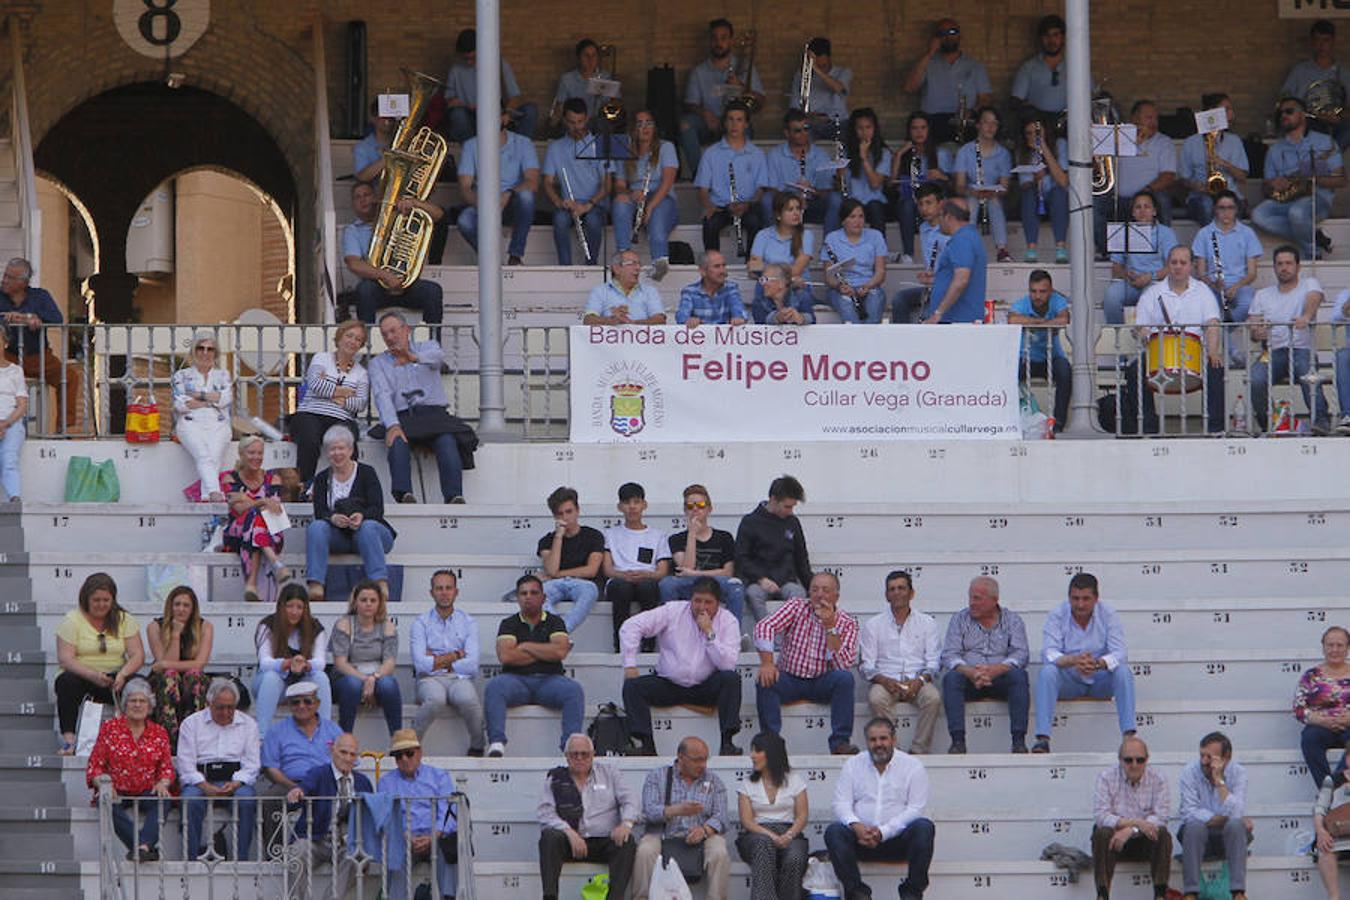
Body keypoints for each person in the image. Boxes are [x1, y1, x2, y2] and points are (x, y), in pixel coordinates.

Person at [621, 577, 742, 757]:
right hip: (669, 683)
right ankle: (646, 745)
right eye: (697, 601)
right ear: (690, 599)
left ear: (718, 603)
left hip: (705, 686)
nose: (702, 607)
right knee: (632, 686)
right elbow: (631, 626)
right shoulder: (673, 610)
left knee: (731, 680)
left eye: (708, 602)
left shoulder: (728, 620)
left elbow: (727, 664)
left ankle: (727, 744)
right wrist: (630, 663)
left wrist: (709, 633)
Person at [824, 717, 936, 900]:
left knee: (924, 827)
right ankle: (857, 893)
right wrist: (856, 825)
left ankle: (912, 893)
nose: (878, 744)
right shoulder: (853, 765)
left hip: (898, 840)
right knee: (834, 832)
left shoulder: (913, 767)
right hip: (860, 840)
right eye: (873, 740)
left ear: (894, 740)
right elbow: (841, 803)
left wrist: (883, 832)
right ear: (867, 741)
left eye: (883, 739)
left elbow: (916, 808)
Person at [754, 572, 860, 755]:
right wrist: (767, 663)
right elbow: (765, 626)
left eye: (826, 590)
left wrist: (829, 627)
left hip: (822, 681)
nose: (819, 595)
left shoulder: (848, 623)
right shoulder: (797, 606)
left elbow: (843, 664)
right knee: (765, 679)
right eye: (815, 589)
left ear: (836, 596)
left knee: (845, 679)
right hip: (789, 678)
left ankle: (840, 743)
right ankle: (771, 741)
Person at [369, 311, 467, 504]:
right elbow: (382, 395)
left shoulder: (428, 347)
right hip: (403, 416)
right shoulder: (377, 363)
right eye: (384, 334)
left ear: (407, 330)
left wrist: (413, 357)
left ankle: (454, 496)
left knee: (447, 441)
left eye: (393, 331)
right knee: (396, 441)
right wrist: (392, 425)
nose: (389, 337)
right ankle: (404, 494)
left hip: (434, 415)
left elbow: (438, 358)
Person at [1032, 572, 1134, 754]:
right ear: (1069, 597)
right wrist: (1073, 660)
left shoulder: (1108, 614)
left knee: (1123, 672)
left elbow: (1120, 652)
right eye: (1075, 598)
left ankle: (1129, 738)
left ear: (1096, 598)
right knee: (1048, 672)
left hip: (1099, 678)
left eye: (1086, 598)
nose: (1080, 604)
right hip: (1070, 678)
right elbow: (1048, 652)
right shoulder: (1057, 614)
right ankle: (1042, 739)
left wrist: (1097, 663)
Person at [1128, 245, 1226, 434]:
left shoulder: (1203, 291)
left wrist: (1213, 352)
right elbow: (1141, 327)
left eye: (1183, 263)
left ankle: (1215, 429)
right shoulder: (1152, 293)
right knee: (1134, 371)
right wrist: (1143, 334)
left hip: (1194, 353)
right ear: (1167, 265)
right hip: (1159, 353)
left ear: (1191, 266)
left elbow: (1212, 323)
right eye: (1174, 262)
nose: (1178, 267)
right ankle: (1149, 429)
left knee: (1216, 368)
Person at [484, 575, 585, 757]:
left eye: (533, 593)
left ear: (543, 598)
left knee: (573, 690)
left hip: (550, 681)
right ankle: (496, 742)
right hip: (516, 681)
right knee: (494, 686)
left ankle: (570, 746)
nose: (528, 597)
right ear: (518, 597)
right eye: (523, 593)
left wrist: (525, 646)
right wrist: (545, 652)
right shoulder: (509, 624)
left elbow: (560, 653)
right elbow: (506, 656)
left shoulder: (555, 622)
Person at [538, 733, 638, 900]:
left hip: (603, 840)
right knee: (549, 837)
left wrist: (626, 824)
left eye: (584, 754)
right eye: (574, 754)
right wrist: (569, 833)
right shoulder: (555, 778)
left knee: (627, 842)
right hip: (570, 841)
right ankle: (550, 896)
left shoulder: (610, 773)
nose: (579, 758)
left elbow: (630, 800)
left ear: (593, 755)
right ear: (566, 757)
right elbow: (545, 813)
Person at [54, 573, 144, 755]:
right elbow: (66, 658)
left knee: (139, 684)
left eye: (106, 600)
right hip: (83, 675)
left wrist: (123, 674)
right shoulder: (72, 620)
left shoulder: (124, 619)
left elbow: (137, 655)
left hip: (116, 675)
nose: (101, 605)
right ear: (86, 599)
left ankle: (138, 738)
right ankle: (70, 741)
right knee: (66, 682)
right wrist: (93, 675)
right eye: (96, 600)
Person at [305, 424, 397, 601]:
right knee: (316, 527)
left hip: (370, 535)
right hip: (339, 536)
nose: (337, 453)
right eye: (332, 449)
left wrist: (362, 516)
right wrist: (333, 518)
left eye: (341, 448)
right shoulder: (322, 478)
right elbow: (320, 511)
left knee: (368, 527)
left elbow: (377, 509)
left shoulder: (367, 472)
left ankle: (379, 582)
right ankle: (316, 584)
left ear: (351, 449)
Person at [85, 677, 174, 862]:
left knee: (164, 799)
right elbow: (95, 765)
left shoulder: (159, 732)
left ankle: (141, 846)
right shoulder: (110, 728)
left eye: (142, 701)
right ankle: (142, 847)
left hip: (146, 789)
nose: (138, 705)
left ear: (149, 706)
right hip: (117, 790)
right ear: (125, 705)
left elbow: (166, 768)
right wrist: (104, 784)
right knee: (106, 802)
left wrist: (163, 782)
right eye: (133, 701)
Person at [939, 575, 1030, 754]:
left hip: (1001, 678)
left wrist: (997, 669)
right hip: (970, 679)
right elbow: (949, 654)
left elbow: (1021, 654)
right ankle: (958, 741)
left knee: (1019, 676)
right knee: (951, 678)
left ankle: (1019, 741)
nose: (972, 603)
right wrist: (970, 672)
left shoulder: (1013, 620)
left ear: (994, 600)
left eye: (977, 598)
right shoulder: (959, 619)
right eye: (970, 597)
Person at [633, 736, 731, 899]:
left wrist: (705, 830)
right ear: (680, 757)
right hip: (663, 833)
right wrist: (675, 810)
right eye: (697, 760)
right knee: (645, 850)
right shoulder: (657, 776)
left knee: (719, 851)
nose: (702, 765)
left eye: (705, 760)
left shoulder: (714, 780)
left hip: (703, 836)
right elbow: (649, 811)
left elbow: (721, 816)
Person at [1251, 96, 1346, 263]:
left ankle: (1312, 251)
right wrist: (1273, 184)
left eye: (1289, 111)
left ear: (1302, 115)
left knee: (1296, 212)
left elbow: (1341, 180)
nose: (1283, 116)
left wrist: (1313, 178)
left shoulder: (1325, 142)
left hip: (1317, 198)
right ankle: (1313, 235)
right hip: (1286, 199)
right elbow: (1265, 189)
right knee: (1258, 215)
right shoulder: (1275, 149)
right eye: (1281, 113)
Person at [1248, 244, 1331, 433]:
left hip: (1302, 349)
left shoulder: (1309, 283)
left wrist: (1306, 316)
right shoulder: (1262, 295)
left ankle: (1320, 421)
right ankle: (1269, 423)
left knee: (1306, 370)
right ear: (1274, 267)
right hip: (1272, 351)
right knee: (1255, 379)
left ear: (1298, 267)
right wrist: (1256, 332)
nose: (1284, 268)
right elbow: (1254, 326)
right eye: (1279, 264)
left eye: (1288, 263)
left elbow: (1314, 297)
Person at [177, 678, 260, 861]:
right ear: (209, 704)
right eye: (220, 707)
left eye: (230, 707)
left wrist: (236, 783)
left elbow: (252, 763)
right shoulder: (191, 723)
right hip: (200, 780)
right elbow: (185, 763)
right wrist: (204, 785)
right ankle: (191, 859)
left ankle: (242, 860)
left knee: (246, 801)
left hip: (236, 781)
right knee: (190, 800)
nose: (226, 712)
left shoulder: (248, 724)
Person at [341, 181, 445, 329]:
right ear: (353, 204)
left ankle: (433, 345)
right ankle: (368, 347)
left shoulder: (398, 217)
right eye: (357, 197)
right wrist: (385, 275)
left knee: (433, 291)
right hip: (377, 286)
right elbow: (353, 263)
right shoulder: (353, 230)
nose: (363, 200)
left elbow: (439, 215)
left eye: (366, 195)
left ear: (376, 198)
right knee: (364, 290)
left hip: (407, 285)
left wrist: (414, 203)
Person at [284, 732, 374, 900]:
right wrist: (299, 791)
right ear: (333, 751)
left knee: (359, 854)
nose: (347, 758)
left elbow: (370, 813)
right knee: (297, 851)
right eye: (343, 752)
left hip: (346, 844)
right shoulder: (318, 774)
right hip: (316, 841)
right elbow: (305, 787)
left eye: (352, 754)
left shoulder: (363, 782)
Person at [860, 571, 941, 755]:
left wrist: (920, 680)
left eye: (901, 588)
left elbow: (934, 662)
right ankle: (892, 751)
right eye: (892, 589)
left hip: (917, 680)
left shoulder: (927, 623)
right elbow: (867, 665)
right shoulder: (874, 624)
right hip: (886, 681)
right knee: (876, 698)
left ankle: (919, 750)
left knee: (933, 698)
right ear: (886, 595)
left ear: (911, 593)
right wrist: (885, 680)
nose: (897, 593)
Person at [0, 257, 83, 433]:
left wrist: (31, 317)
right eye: (5, 276)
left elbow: (57, 318)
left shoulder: (40, 296)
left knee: (69, 378)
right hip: (6, 357)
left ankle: (63, 428)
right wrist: (10, 318)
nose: (4, 280)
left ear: (23, 282)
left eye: (10, 278)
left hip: (38, 356)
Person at [377, 729, 459, 900]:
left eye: (408, 753)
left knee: (448, 847)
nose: (404, 759)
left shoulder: (439, 776)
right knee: (396, 850)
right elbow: (385, 816)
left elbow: (448, 813)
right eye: (398, 756)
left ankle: (448, 896)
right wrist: (405, 835)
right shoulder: (386, 782)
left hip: (436, 836)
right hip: (405, 838)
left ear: (420, 753)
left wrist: (433, 836)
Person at [456, 103, 540, 267]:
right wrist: (483, 203)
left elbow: (533, 182)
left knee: (527, 197)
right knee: (465, 220)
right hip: (483, 205)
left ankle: (515, 255)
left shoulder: (523, 143)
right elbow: (465, 188)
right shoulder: (471, 145)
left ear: (505, 118)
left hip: (511, 204)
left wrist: (508, 194)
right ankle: (490, 258)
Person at [410, 569, 485, 752]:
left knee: (468, 699)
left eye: (448, 588)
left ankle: (477, 746)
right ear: (431, 592)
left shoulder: (468, 622)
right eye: (439, 588)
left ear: (456, 592)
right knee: (435, 699)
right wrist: (457, 655)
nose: (444, 592)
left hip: (459, 678)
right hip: (429, 679)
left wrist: (436, 660)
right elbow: (420, 664)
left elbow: (472, 665)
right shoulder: (420, 623)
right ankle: (409, 745)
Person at [681, 18, 765, 177]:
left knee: (743, 128)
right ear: (709, 41)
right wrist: (704, 114)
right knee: (685, 124)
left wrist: (741, 87)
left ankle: (741, 176)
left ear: (731, 41)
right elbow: (690, 104)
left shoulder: (745, 67)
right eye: (714, 38)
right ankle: (701, 175)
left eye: (724, 38)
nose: (718, 42)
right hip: (709, 123)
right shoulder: (698, 72)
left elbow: (760, 101)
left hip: (736, 122)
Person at [1091, 736, 1172, 900]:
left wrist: (1131, 830)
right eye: (1128, 760)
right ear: (1120, 760)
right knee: (1101, 833)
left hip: (1144, 841)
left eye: (1139, 760)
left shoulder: (1159, 779)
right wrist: (1136, 823)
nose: (1134, 765)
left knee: (1162, 833)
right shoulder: (1106, 777)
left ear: (1147, 760)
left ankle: (1160, 894)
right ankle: (1102, 894)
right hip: (1115, 841)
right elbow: (1101, 815)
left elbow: (1162, 816)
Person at [289, 319, 368, 486]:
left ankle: (349, 487)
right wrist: (345, 392)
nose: (352, 341)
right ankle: (305, 485)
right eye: (349, 335)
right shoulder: (322, 358)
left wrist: (330, 391)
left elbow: (360, 404)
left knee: (347, 443)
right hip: (311, 412)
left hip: (341, 418)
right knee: (309, 438)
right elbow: (315, 384)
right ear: (339, 337)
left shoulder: (361, 373)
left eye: (358, 339)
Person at [1177, 732, 1251, 900]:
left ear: (1226, 757)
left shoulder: (1239, 773)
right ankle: (1191, 893)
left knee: (1236, 826)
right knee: (1194, 827)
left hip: (1228, 835)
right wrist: (1223, 818)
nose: (1203, 761)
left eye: (1209, 757)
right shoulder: (1189, 771)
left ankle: (1238, 892)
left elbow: (1237, 814)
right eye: (1201, 755)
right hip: (1197, 834)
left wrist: (1219, 780)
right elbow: (1189, 813)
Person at [735, 731, 809, 900]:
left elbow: (802, 816)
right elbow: (747, 821)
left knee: (795, 857)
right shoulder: (747, 784)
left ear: (772, 753)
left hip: (789, 831)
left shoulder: (795, 780)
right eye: (752, 750)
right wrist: (771, 836)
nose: (752, 755)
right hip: (757, 833)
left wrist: (788, 835)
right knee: (763, 844)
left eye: (757, 751)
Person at [251, 583, 332, 737]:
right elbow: (265, 662)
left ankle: (324, 733)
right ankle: (261, 736)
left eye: (299, 607)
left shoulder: (315, 628)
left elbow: (320, 663)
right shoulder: (268, 625)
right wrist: (287, 663)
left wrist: (304, 664)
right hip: (271, 683)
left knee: (320, 677)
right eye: (289, 606)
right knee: (271, 677)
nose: (294, 612)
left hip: (301, 681)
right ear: (281, 606)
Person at [659, 484, 745, 626]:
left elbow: (727, 572)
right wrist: (692, 534)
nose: (695, 509)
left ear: (709, 509)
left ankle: (734, 635)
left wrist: (693, 573)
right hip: (690, 585)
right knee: (667, 584)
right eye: (690, 506)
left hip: (716, 584)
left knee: (735, 586)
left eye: (700, 505)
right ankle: (672, 632)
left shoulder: (724, 537)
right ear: (685, 510)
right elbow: (685, 568)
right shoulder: (676, 539)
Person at [542, 97, 612, 267]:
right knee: (559, 220)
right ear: (565, 121)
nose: (577, 127)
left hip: (596, 204)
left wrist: (588, 205)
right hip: (569, 204)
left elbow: (607, 184)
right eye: (572, 122)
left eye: (580, 122)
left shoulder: (600, 144)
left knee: (594, 221)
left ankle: (591, 264)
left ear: (587, 118)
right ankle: (565, 267)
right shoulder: (555, 147)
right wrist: (560, 202)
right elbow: (547, 183)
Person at [602, 482, 671, 652]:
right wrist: (623, 575)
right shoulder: (610, 534)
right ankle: (621, 644)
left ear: (644, 504)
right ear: (619, 506)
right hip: (619, 580)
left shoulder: (658, 535)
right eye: (627, 502)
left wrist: (646, 575)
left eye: (636, 502)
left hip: (647, 579)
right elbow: (607, 569)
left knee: (647, 587)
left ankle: (648, 644)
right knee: (622, 588)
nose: (632, 507)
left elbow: (662, 571)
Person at [902, 17, 993, 144]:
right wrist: (930, 52)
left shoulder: (975, 66)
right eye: (942, 33)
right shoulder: (926, 63)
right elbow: (909, 87)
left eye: (952, 32)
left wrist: (972, 111)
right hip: (932, 121)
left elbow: (985, 98)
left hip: (964, 121)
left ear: (960, 36)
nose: (948, 37)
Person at [221, 434, 288, 603]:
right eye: (251, 453)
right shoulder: (229, 477)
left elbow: (275, 510)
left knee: (254, 518)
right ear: (241, 454)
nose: (256, 457)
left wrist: (249, 501)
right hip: (236, 532)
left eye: (260, 453)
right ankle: (275, 562)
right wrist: (262, 501)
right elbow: (238, 509)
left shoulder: (273, 478)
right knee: (254, 516)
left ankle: (251, 584)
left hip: (271, 531)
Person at [613, 110, 680, 278]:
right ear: (633, 129)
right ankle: (624, 255)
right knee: (620, 202)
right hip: (637, 197)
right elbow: (620, 185)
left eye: (649, 123)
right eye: (640, 123)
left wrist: (650, 206)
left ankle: (659, 263)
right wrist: (629, 193)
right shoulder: (625, 149)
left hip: (662, 197)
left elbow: (668, 181)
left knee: (656, 218)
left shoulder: (666, 147)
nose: (645, 127)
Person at [696, 101, 767, 259]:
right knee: (710, 224)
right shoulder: (711, 153)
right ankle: (712, 265)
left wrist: (747, 204)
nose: (734, 124)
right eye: (730, 119)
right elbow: (702, 189)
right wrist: (709, 206)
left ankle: (752, 264)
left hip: (747, 205)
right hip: (720, 207)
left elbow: (761, 189)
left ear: (746, 124)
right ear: (724, 123)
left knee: (756, 222)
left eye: (739, 120)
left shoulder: (757, 154)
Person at [736, 475, 811, 624]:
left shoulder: (792, 522)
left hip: (787, 580)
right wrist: (760, 578)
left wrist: (813, 587)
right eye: (787, 506)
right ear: (773, 499)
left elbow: (801, 559)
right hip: (759, 581)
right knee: (753, 593)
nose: (790, 511)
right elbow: (741, 557)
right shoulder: (750, 522)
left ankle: (790, 639)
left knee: (798, 594)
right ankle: (770, 638)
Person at [145, 584, 213, 748]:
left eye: (186, 605)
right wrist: (175, 634)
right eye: (177, 604)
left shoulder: (205, 626)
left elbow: (200, 663)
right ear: (170, 606)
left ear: (193, 608)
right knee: (170, 677)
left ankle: (196, 738)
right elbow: (166, 668)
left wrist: (165, 664)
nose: (181, 609)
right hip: (164, 681)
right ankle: (170, 740)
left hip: (192, 679)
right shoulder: (154, 627)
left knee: (195, 675)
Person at [331, 578, 402, 735]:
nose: (368, 604)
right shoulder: (344, 624)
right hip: (348, 676)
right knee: (352, 685)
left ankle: (398, 739)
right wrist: (364, 679)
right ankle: (345, 737)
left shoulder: (387, 627)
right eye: (363, 600)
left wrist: (373, 678)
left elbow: (389, 663)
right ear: (355, 602)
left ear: (379, 604)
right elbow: (340, 663)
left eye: (373, 600)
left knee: (389, 685)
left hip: (377, 675)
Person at [444, 27, 537, 143]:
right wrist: (466, 105)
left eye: (473, 58)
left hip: (499, 117)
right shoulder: (456, 70)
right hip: (472, 119)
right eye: (465, 59)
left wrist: (507, 113)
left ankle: (517, 150)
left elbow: (515, 97)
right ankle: (472, 151)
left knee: (530, 110)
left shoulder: (500, 64)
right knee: (458, 115)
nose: (469, 62)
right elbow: (449, 100)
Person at [1007, 269, 1072, 431]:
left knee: (1065, 372)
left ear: (1051, 291)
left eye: (1043, 291)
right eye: (1033, 291)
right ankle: (1010, 422)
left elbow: (1064, 319)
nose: (1037, 296)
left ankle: (1058, 425)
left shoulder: (1058, 301)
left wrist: (1034, 323)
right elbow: (1012, 319)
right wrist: (1042, 322)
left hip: (1052, 357)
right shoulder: (1022, 303)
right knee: (1007, 377)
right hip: (1026, 358)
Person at [761, 108, 842, 236]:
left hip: (812, 203)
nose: (804, 133)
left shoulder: (821, 155)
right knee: (766, 200)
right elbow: (771, 190)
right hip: (785, 204)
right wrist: (792, 200)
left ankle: (830, 248)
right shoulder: (775, 155)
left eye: (806, 128)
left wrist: (813, 190)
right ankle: (773, 243)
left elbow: (827, 191)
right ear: (787, 133)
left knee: (836, 199)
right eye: (798, 131)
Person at [171, 330, 231, 502]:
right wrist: (211, 397)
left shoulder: (223, 375)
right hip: (190, 423)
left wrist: (197, 395)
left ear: (215, 352)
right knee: (204, 455)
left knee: (213, 456)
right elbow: (181, 404)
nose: (205, 353)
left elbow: (225, 399)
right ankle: (214, 492)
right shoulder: (181, 375)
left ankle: (206, 496)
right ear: (194, 351)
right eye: (201, 348)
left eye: (210, 349)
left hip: (218, 423)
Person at [1102, 191, 1178, 326]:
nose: (1142, 211)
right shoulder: (1123, 232)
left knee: (1149, 299)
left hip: (1156, 282)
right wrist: (1127, 274)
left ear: (1154, 211)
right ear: (1133, 213)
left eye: (1147, 207)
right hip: (1130, 282)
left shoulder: (1166, 233)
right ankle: (1118, 334)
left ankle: (1146, 338)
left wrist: (1150, 276)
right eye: (1138, 207)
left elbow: (1172, 267)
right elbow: (1116, 267)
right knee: (1111, 297)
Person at [1192, 188, 1262, 330]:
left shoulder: (1247, 233)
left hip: (1240, 285)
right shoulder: (1203, 234)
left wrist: (1236, 287)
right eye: (1222, 208)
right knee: (1206, 306)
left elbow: (1252, 273)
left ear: (1236, 210)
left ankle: (1222, 331)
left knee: (1248, 303)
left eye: (1230, 208)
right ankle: (1226, 341)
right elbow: (1200, 273)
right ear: (1215, 210)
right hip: (1213, 285)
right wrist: (1213, 284)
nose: (1226, 212)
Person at [537, 486, 605, 632]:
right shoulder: (547, 540)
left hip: (584, 584)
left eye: (569, 512)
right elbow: (552, 568)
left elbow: (591, 570)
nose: (565, 517)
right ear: (554, 516)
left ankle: (561, 630)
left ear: (577, 510)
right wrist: (558, 536)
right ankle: (560, 631)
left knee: (590, 591)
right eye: (560, 514)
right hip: (556, 584)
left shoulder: (594, 536)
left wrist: (557, 574)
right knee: (538, 593)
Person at [260, 681, 343, 797]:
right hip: (288, 785)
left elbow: (347, 760)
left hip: (326, 785)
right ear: (289, 705)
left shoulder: (333, 730)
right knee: (271, 797)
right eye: (295, 702)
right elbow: (270, 767)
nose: (302, 706)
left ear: (318, 703)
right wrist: (295, 787)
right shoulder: (276, 731)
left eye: (308, 701)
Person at [889, 112, 951, 264]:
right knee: (906, 205)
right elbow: (892, 183)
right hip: (912, 201)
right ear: (909, 131)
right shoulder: (904, 155)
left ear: (929, 130)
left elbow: (952, 183)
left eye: (923, 128)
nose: (919, 132)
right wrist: (898, 155)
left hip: (934, 201)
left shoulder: (941, 153)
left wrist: (941, 175)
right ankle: (908, 254)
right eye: (914, 128)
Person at [1179, 93, 1250, 226]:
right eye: (1227, 109)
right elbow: (1183, 179)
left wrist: (1225, 164)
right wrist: (1196, 185)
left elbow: (1242, 177)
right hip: (1200, 196)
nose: (1231, 114)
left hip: (1230, 195)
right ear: (1213, 113)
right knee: (1207, 205)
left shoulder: (1234, 141)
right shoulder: (1191, 142)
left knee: (1229, 208)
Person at [954, 106, 1012, 262]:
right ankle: (968, 247)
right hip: (971, 193)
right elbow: (959, 185)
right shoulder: (965, 151)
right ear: (978, 125)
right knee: (971, 204)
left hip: (994, 195)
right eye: (986, 122)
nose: (990, 127)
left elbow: (1005, 187)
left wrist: (992, 192)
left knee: (994, 202)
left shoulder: (1003, 153)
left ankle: (1002, 250)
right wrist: (972, 191)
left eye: (994, 123)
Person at [1295, 625, 1350, 789]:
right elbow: (1298, 709)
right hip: (1321, 726)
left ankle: (1337, 783)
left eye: (1340, 645)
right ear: (1323, 647)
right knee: (1309, 739)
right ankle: (1326, 788)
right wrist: (1319, 720)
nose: (1335, 650)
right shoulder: (1311, 675)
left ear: (1348, 648)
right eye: (1330, 645)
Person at [1283, 19, 1350, 149]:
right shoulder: (1299, 71)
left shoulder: (1344, 73)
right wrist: (1314, 114)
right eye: (1317, 40)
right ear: (1312, 43)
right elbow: (1284, 101)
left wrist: (1338, 115)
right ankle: (1329, 160)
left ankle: (1329, 158)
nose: (1321, 45)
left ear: (1333, 42)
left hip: (1336, 122)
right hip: (1308, 121)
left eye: (1326, 40)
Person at [747, 195, 813, 326]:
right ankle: (767, 325)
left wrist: (767, 269)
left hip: (795, 286)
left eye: (798, 209)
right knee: (764, 284)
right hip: (770, 287)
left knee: (774, 282)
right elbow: (753, 269)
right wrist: (773, 275)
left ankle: (785, 317)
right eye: (790, 209)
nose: (796, 213)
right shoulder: (763, 235)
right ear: (778, 215)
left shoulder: (806, 235)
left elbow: (796, 271)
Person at [922, 198, 987, 324]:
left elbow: (962, 279)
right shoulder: (970, 236)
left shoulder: (962, 239)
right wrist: (937, 278)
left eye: (940, 215)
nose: (938, 221)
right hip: (961, 319)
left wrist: (938, 313)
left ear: (948, 217)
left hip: (956, 320)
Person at [824, 198, 888, 324]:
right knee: (846, 303)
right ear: (843, 220)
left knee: (875, 298)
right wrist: (840, 286)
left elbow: (880, 272)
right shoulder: (832, 238)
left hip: (869, 286)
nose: (858, 221)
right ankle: (855, 340)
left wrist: (868, 285)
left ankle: (869, 339)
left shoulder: (875, 236)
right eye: (852, 217)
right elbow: (829, 276)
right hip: (842, 289)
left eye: (861, 216)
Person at [892, 182, 949, 325]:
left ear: (941, 204)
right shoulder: (923, 228)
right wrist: (929, 275)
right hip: (932, 287)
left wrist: (936, 278)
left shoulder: (949, 229)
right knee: (899, 299)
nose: (924, 209)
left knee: (926, 316)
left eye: (929, 203)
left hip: (947, 290)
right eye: (920, 204)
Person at [1015, 116, 1069, 264]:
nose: (1034, 136)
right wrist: (1035, 177)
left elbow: (1063, 181)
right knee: (1028, 195)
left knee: (1059, 194)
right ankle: (1031, 248)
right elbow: (1024, 184)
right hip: (1035, 195)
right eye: (1029, 133)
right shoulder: (1023, 151)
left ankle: (1061, 248)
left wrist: (1043, 148)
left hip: (1056, 194)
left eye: (1037, 132)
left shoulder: (1060, 144)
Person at [841, 108, 892, 235]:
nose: (864, 132)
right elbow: (843, 185)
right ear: (854, 130)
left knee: (875, 208)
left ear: (874, 129)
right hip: (853, 200)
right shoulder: (847, 153)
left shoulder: (884, 153)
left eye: (868, 127)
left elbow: (875, 184)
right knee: (845, 208)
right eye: (860, 128)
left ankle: (880, 251)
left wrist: (863, 158)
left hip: (875, 201)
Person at [583, 250, 667, 326]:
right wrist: (610, 320)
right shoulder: (600, 291)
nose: (638, 268)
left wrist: (632, 324)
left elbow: (660, 319)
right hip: (611, 341)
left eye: (639, 264)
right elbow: (588, 320)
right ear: (617, 269)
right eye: (632, 264)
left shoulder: (650, 291)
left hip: (642, 340)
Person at [1010, 14, 1067, 118]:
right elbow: (1015, 100)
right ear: (1041, 39)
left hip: (1070, 124)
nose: (1051, 40)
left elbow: (1093, 97)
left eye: (1055, 35)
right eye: (1046, 36)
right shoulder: (1028, 68)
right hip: (1039, 125)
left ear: (1063, 38)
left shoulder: (1076, 68)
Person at [793, 37, 852, 134]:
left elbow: (839, 89)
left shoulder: (843, 72)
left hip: (838, 122)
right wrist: (811, 116)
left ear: (827, 56)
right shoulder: (800, 76)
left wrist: (815, 68)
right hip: (812, 123)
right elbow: (794, 107)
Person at [679, 249, 749, 327]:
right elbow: (681, 317)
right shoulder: (690, 292)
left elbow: (740, 312)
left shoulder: (731, 288)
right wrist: (689, 320)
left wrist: (738, 319)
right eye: (717, 266)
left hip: (725, 338)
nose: (723, 270)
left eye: (724, 265)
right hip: (699, 338)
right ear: (703, 271)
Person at [551, 39, 613, 124]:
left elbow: (609, 107)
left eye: (593, 55)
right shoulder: (567, 79)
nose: (590, 60)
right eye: (586, 55)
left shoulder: (604, 77)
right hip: (573, 122)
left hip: (596, 122)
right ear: (579, 58)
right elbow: (560, 106)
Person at [1313, 762, 1350, 899]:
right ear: (1348, 759)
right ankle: (1334, 897)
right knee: (1325, 848)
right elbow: (1319, 809)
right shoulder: (1333, 780)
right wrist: (1321, 831)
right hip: (1338, 831)